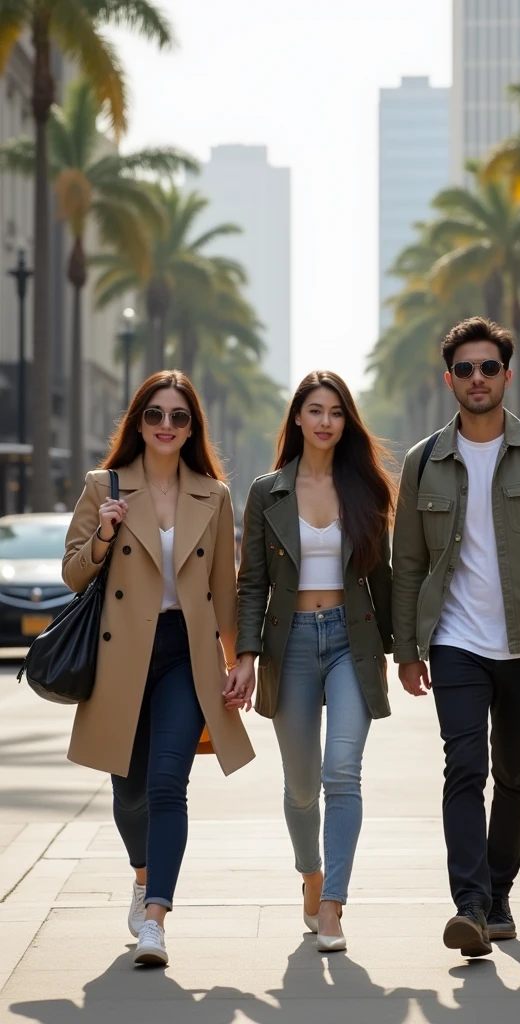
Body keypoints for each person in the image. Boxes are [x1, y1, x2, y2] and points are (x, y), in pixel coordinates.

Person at [392, 317, 520, 958]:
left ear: (507, 375)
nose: (476, 379)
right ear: (448, 378)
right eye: (464, 369)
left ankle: (500, 890)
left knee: (514, 773)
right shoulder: (425, 461)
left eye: (488, 368)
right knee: (463, 769)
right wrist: (408, 649)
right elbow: (409, 565)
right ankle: (471, 904)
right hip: (455, 640)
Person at [62, 371, 255, 967]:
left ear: (193, 427)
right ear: (138, 422)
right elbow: (72, 572)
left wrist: (239, 660)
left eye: (179, 417)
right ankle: (143, 875)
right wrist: (104, 533)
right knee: (131, 791)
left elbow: (227, 587)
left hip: (184, 654)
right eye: (155, 415)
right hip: (122, 656)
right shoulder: (105, 485)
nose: (166, 426)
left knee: (170, 783)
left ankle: (156, 920)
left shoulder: (215, 496)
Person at [227, 371, 394, 952]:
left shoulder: (365, 489)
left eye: (337, 412)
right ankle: (310, 873)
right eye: (315, 410)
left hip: (353, 639)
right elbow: (250, 584)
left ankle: (333, 906)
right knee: (301, 788)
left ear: (347, 422)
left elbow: (384, 578)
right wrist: (245, 655)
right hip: (289, 643)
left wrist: (408, 653)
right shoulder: (266, 491)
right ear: (297, 418)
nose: (326, 421)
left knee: (341, 772)